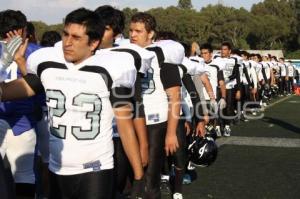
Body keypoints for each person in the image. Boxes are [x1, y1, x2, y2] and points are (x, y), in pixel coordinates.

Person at [0, 8, 142, 199]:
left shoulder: (111, 69)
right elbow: (5, 93)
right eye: (66, 34)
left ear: (94, 43)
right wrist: (4, 63)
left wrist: (139, 176)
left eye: (76, 37)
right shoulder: (48, 64)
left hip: (96, 169)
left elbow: (126, 128)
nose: (67, 42)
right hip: (57, 168)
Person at [129, 12, 199, 199]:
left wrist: (170, 133)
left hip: (155, 122)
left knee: (150, 178)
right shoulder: (125, 54)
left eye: (138, 31)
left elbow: (175, 96)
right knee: (132, 179)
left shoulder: (164, 54)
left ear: (151, 34)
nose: (133, 35)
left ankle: (174, 189)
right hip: (131, 121)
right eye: (131, 30)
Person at [95, 5, 152, 198]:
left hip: (115, 137)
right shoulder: (75, 56)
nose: (98, 32)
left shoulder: (125, 58)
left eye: (105, 28)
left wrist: (143, 145)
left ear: (116, 33)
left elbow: (135, 104)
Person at [0, 9, 39, 198]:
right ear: (24, 30)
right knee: (24, 174)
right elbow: (42, 89)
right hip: (25, 121)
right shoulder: (36, 52)